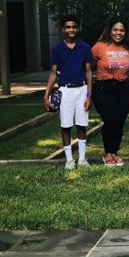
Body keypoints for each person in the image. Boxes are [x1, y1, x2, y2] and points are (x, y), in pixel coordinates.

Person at [44, 14, 93, 169]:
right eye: (68, 27)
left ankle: (83, 159)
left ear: (78, 29)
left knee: (81, 124)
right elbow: (53, 73)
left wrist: (89, 95)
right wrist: (47, 95)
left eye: (74, 27)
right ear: (63, 29)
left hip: (82, 89)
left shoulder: (84, 47)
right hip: (65, 91)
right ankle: (69, 160)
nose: (71, 30)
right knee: (65, 125)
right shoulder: (57, 49)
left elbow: (89, 72)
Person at [91, 18, 129, 167]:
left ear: (125, 32)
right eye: (115, 30)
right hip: (103, 88)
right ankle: (107, 152)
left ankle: (114, 152)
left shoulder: (128, 48)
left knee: (120, 122)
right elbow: (89, 67)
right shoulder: (99, 46)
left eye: (121, 30)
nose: (118, 33)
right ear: (110, 31)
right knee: (110, 120)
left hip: (123, 88)